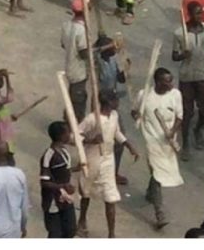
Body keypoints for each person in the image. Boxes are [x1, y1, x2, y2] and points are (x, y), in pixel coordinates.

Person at [77, 91, 140, 238]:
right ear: (109, 102)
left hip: (108, 160)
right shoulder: (92, 119)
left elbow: (116, 132)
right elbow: (76, 136)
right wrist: (91, 140)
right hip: (92, 159)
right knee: (86, 191)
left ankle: (111, 234)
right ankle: (81, 221)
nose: (118, 103)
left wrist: (129, 146)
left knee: (110, 196)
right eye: (116, 100)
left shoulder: (114, 115)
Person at [132, 68, 183, 229]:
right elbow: (134, 111)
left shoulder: (175, 95)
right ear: (159, 82)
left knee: (158, 172)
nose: (171, 84)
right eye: (167, 81)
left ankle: (150, 192)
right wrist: (137, 116)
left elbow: (180, 117)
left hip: (167, 142)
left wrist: (172, 132)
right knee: (158, 173)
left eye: (171, 80)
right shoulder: (144, 95)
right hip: (151, 140)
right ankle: (159, 213)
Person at [173, 1, 204, 161]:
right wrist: (183, 55)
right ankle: (185, 144)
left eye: (201, 13)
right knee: (187, 112)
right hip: (187, 77)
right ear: (190, 14)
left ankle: (198, 130)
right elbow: (174, 56)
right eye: (197, 13)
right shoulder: (179, 33)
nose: (200, 16)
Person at [93, 35, 130, 184]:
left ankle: (113, 172)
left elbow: (120, 79)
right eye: (112, 47)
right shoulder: (97, 62)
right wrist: (108, 46)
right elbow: (93, 52)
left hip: (113, 103)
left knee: (119, 140)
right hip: (100, 104)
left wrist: (126, 70)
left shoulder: (113, 60)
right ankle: (97, 171)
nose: (115, 49)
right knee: (100, 141)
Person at [40, 121, 77, 238]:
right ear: (61, 136)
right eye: (67, 132)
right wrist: (62, 186)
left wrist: (77, 168)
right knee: (55, 234)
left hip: (66, 199)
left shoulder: (64, 152)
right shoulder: (49, 155)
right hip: (52, 200)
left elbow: (63, 171)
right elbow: (44, 182)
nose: (69, 135)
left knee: (70, 230)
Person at [61, 0, 89, 122]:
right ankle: (72, 126)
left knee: (72, 97)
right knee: (77, 102)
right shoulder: (81, 30)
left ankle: (68, 121)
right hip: (79, 71)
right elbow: (84, 53)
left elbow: (63, 44)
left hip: (69, 66)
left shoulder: (66, 25)